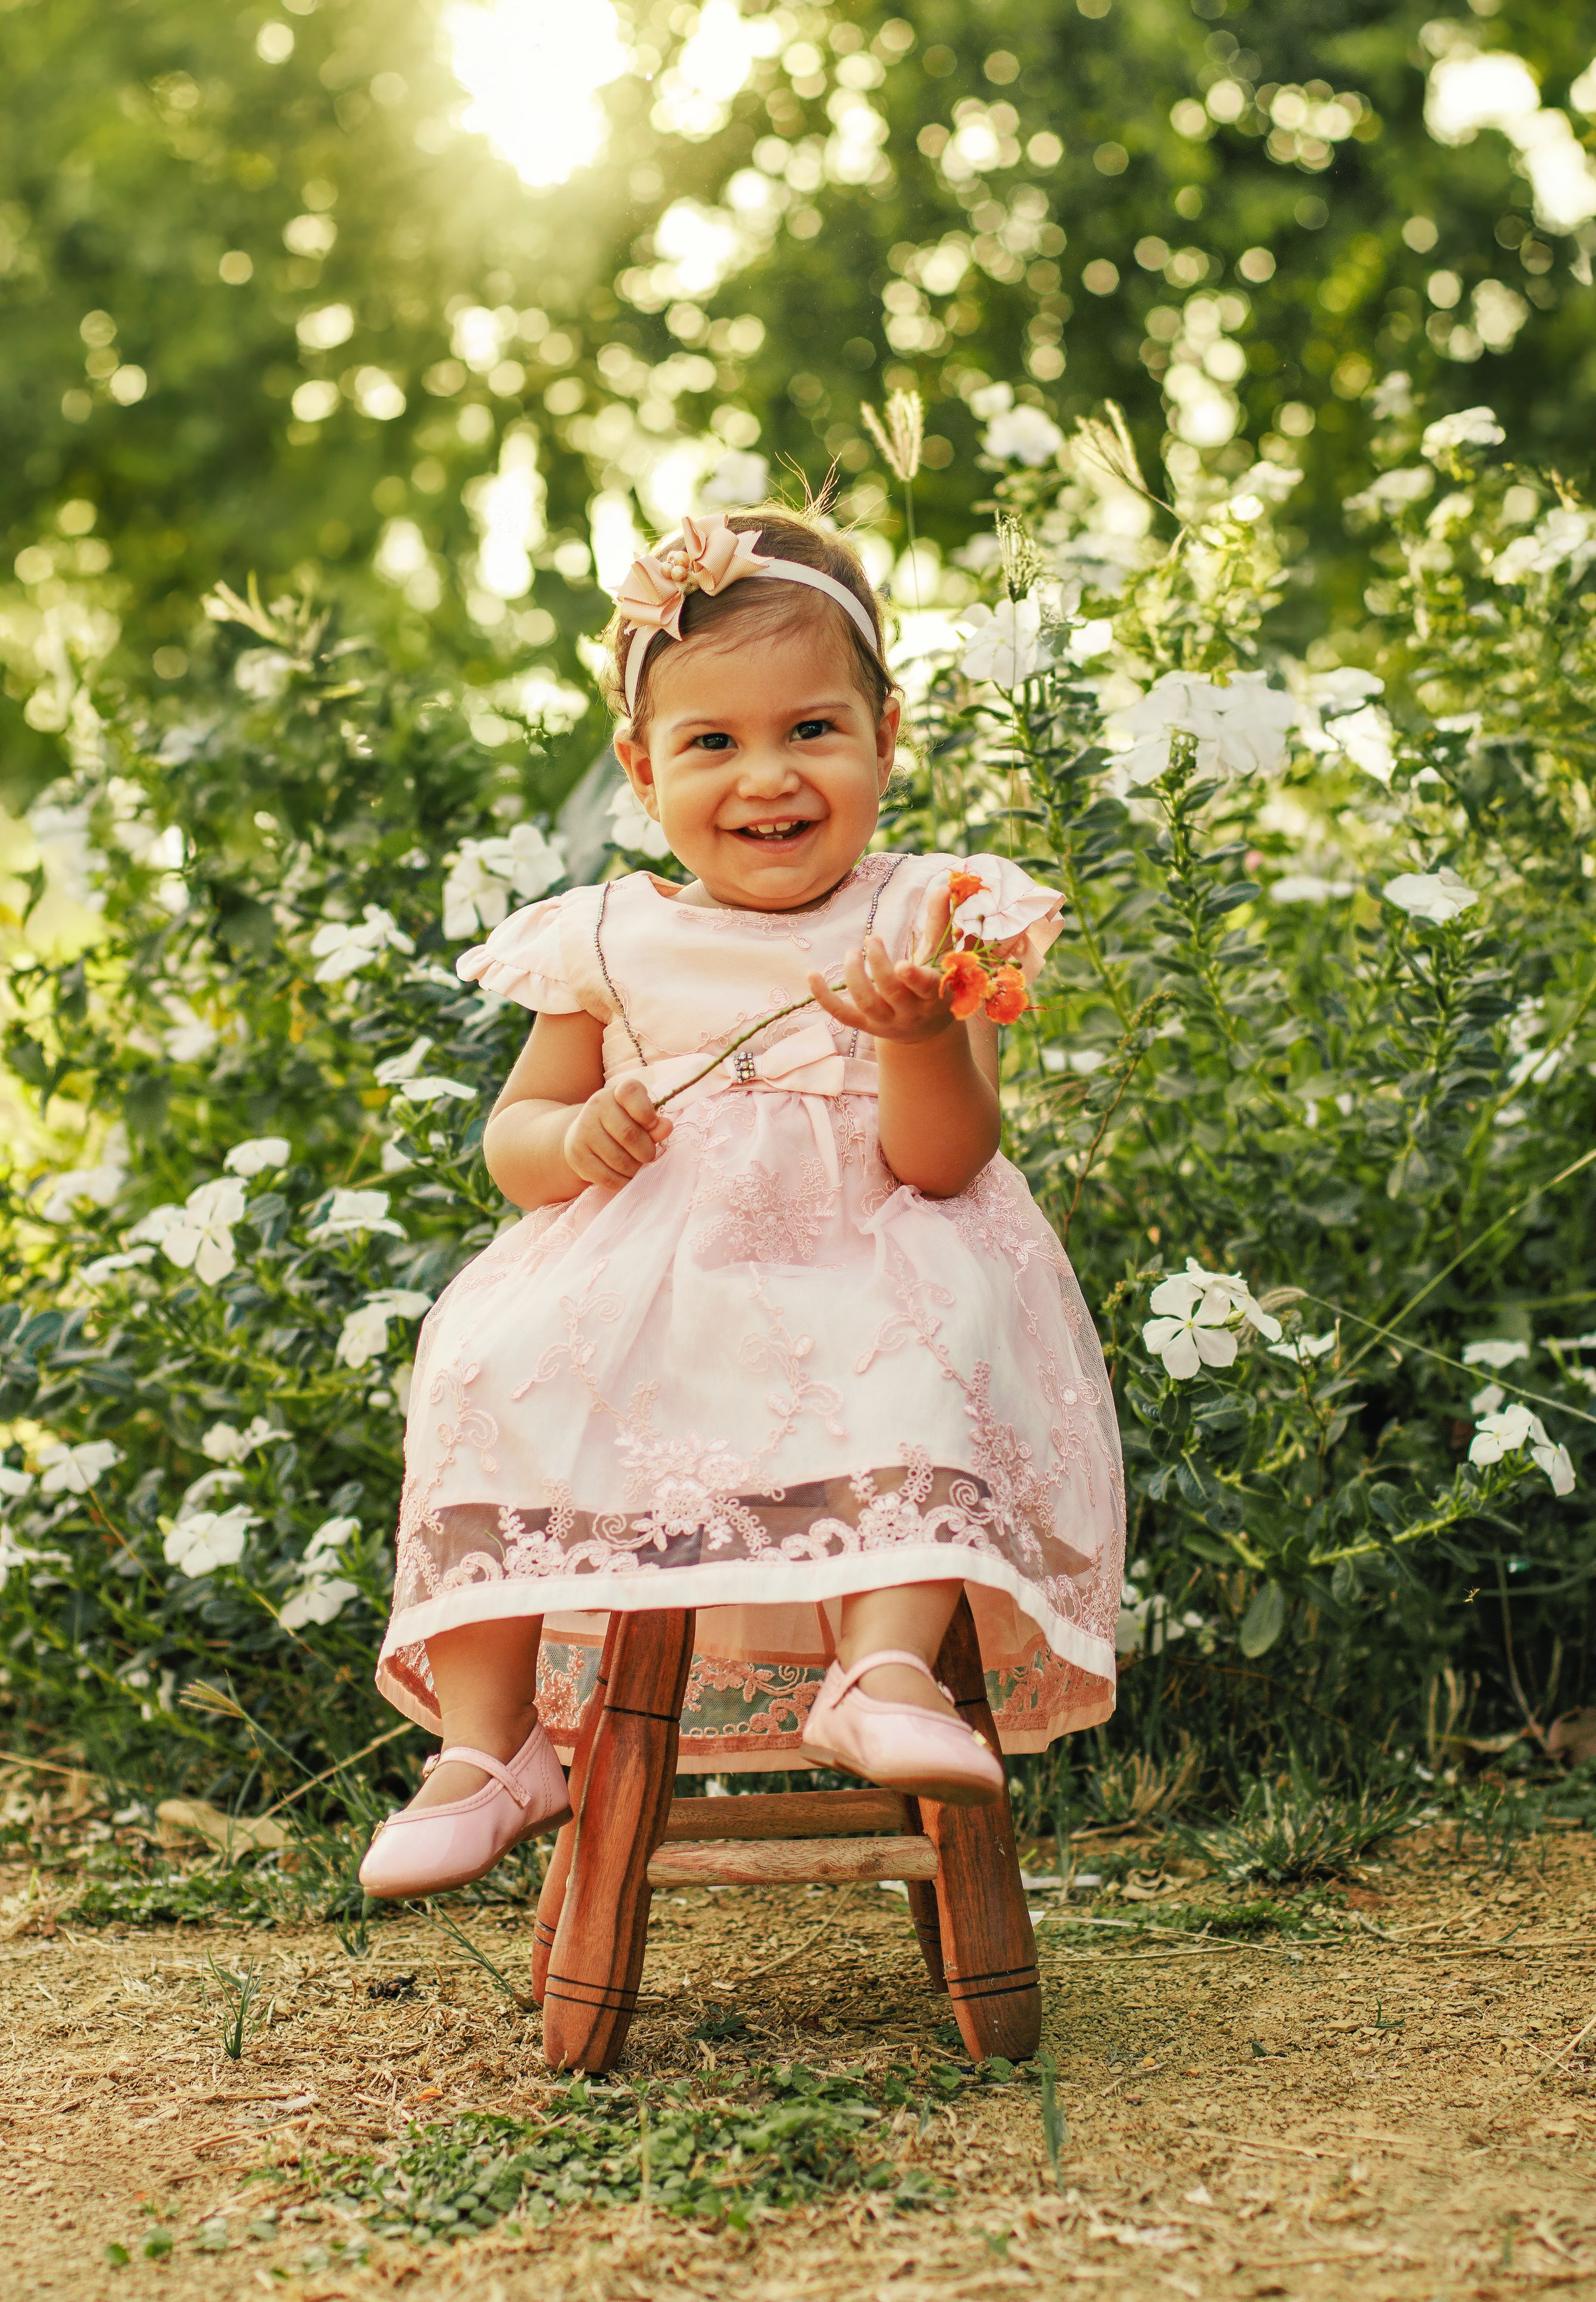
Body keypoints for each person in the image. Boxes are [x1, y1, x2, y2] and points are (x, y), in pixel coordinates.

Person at [360, 502, 1125, 1898]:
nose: (765, 775)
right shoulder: (610, 932)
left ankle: (882, 1667)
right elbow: (512, 1140)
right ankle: (489, 1747)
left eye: (810, 731)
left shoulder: (929, 917)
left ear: (885, 735)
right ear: (642, 769)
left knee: (924, 1348)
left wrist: (914, 1039)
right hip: (655, 1273)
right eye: (712, 742)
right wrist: (573, 1135)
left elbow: (942, 1164)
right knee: (488, 1356)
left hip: (864, 1258)